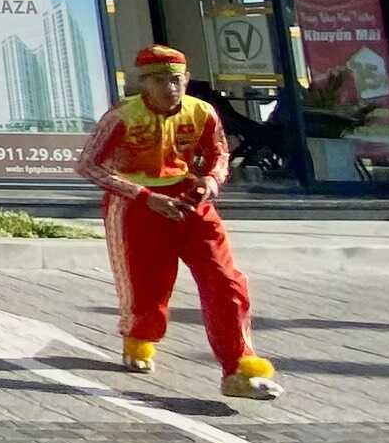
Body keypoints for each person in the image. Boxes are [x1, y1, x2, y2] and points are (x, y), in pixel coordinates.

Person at [75, 44, 281, 400]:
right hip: (137, 206)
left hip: (189, 201)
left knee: (226, 281)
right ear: (144, 83)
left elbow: (219, 153)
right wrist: (144, 196)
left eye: (176, 80)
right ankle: (139, 337)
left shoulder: (202, 112)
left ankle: (239, 368)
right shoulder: (122, 117)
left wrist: (211, 181)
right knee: (148, 286)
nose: (170, 88)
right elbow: (88, 165)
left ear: (186, 79)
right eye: (159, 81)